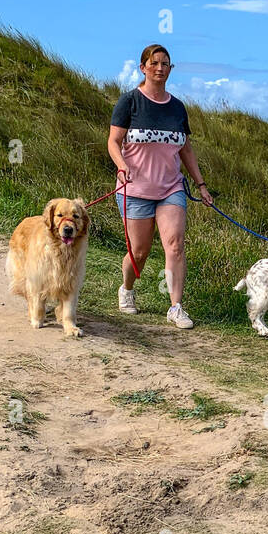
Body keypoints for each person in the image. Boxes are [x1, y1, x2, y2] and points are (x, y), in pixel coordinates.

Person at [107, 44, 212, 325]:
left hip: (171, 188)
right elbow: (113, 142)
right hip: (136, 189)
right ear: (143, 67)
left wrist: (200, 185)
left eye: (166, 64)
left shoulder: (177, 108)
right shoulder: (129, 102)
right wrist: (121, 165)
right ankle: (127, 289)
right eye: (154, 63)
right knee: (139, 252)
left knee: (175, 245)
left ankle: (176, 307)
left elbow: (186, 150)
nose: (160, 68)